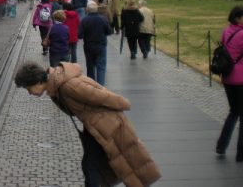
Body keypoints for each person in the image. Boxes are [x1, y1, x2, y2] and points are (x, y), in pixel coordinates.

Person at [14, 62, 161, 187]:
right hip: (95, 127)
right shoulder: (56, 87)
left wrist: (124, 103)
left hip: (106, 125)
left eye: (28, 88)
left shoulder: (68, 86)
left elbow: (101, 96)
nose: (30, 93)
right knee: (96, 165)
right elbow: (73, 110)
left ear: (37, 82)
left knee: (97, 165)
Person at [216, 6, 243, 161]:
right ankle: (241, 153)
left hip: (228, 77)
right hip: (240, 78)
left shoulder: (226, 31)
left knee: (234, 111)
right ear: (238, 18)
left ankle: (222, 145)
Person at [78, 1, 112, 86]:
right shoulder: (103, 19)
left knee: (90, 67)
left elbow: (80, 35)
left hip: (89, 46)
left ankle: (91, 85)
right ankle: (100, 86)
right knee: (101, 67)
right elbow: (109, 31)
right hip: (101, 45)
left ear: (87, 10)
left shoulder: (84, 20)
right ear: (97, 9)